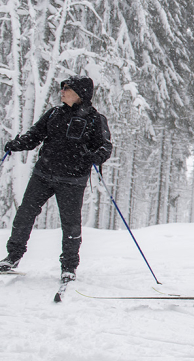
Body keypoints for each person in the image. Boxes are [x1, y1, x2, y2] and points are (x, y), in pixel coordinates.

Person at [0, 76, 112, 283]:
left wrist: (96, 157)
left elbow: (105, 146)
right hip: (44, 173)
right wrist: (18, 144)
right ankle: (12, 258)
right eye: (62, 88)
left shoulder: (96, 119)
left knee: (70, 224)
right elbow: (35, 135)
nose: (62, 91)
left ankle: (69, 267)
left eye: (67, 88)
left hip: (73, 179)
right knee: (25, 214)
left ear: (81, 93)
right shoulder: (54, 113)